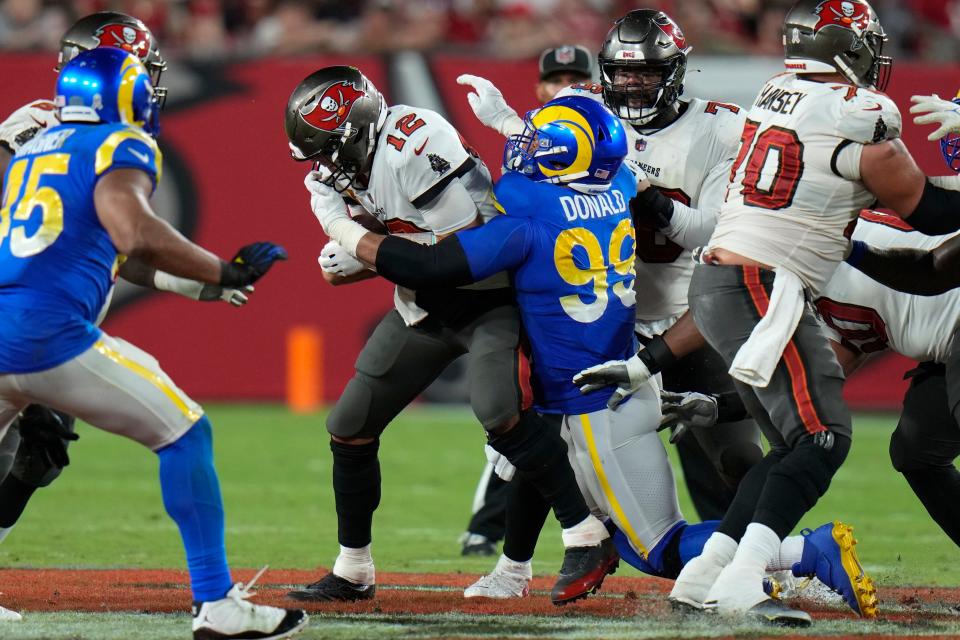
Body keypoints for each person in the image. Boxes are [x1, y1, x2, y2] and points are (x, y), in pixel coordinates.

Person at [311, 94, 875, 617]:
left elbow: (427, 268)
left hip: (595, 400)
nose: (523, 150)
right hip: (615, 377)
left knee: (657, 550)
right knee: (554, 478)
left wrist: (339, 224)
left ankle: (804, 552)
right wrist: (512, 122)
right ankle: (531, 560)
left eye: (536, 143)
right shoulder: (619, 185)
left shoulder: (528, 213)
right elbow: (584, 162)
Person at [596, 0, 960, 624]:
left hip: (726, 281)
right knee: (821, 439)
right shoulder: (861, 119)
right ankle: (741, 582)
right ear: (851, 51)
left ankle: (706, 571)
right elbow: (926, 221)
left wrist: (708, 396)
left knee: (799, 439)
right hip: (763, 280)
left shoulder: (776, 94)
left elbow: (907, 280)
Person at [0, 48, 302, 639]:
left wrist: (200, 281)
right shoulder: (119, 143)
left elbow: (102, 245)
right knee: (186, 431)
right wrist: (225, 270)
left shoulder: (30, 150)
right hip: (48, 334)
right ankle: (216, 603)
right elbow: (132, 229)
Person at [285, 67, 613, 604]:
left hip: (487, 294)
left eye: (330, 150)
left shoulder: (412, 138)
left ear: (361, 129)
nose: (323, 167)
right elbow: (397, 253)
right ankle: (354, 569)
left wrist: (351, 237)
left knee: (501, 413)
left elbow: (452, 252)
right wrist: (362, 253)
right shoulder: (332, 174)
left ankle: (584, 532)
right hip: (424, 305)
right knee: (349, 425)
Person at [666, 208, 960, 552]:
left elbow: (926, 263)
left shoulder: (827, 238)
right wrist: (721, 407)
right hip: (945, 351)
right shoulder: (811, 297)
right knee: (916, 451)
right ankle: (719, 559)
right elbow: (806, 386)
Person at [456, 43, 594, 558]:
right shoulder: (530, 142)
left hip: (610, 289)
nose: (564, 85)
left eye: (575, 77)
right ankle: (490, 527)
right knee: (520, 413)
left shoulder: (606, 134)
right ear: (539, 86)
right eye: (555, 78)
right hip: (547, 291)